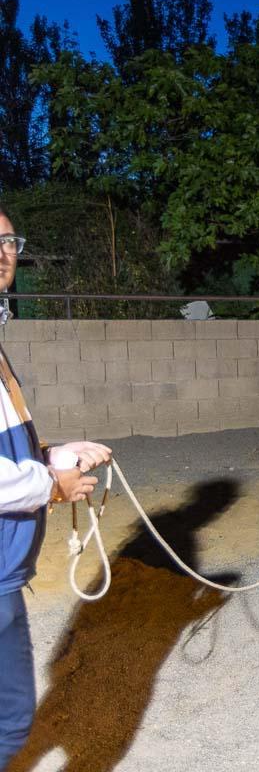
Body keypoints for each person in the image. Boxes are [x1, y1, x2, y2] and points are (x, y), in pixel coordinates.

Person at [0, 206, 112, 769]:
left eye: (8, 242)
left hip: (5, 576)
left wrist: (54, 455)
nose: (2, 254)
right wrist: (51, 483)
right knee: (9, 720)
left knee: (12, 718)